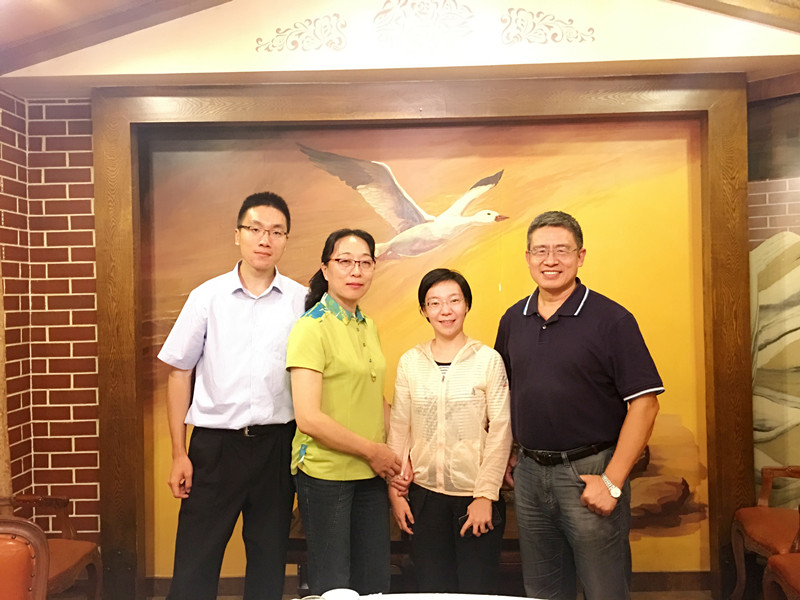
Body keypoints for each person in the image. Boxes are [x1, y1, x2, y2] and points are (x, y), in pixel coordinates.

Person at [494, 210, 664, 600]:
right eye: (540, 251)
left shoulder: (612, 320)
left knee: (604, 590)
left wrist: (612, 482)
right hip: (530, 476)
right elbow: (504, 393)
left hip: (591, 472)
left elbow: (645, 405)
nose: (550, 260)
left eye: (562, 250)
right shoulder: (513, 319)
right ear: (527, 257)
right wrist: (507, 453)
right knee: (543, 591)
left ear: (581, 256)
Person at [157, 192, 306, 600]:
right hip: (215, 448)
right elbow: (179, 373)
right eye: (255, 229)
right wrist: (179, 452)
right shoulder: (207, 297)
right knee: (194, 565)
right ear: (237, 234)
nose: (265, 239)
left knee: (268, 564)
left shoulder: (302, 300)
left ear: (286, 240)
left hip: (277, 447)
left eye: (276, 232)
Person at [287, 228, 401, 595]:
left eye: (365, 263)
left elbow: (374, 399)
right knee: (334, 587)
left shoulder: (369, 325)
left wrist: (399, 455)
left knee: (374, 583)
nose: (356, 271)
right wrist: (374, 452)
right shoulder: (311, 328)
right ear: (325, 268)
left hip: (370, 473)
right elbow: (308, 418)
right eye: (345, 261)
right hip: (326, 474)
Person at [387, 268, 512, 593]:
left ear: (466, 305)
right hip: (424, 498)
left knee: (477, 590)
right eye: (435, 303)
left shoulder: (488, 360)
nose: (445, 310)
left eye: (454, 300)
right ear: (424, 310)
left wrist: (485, 495)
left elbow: (501, 430)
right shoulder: (411, 362)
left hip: (474, 497)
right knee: (432, 589)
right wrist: (395, 493)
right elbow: (399, 427)